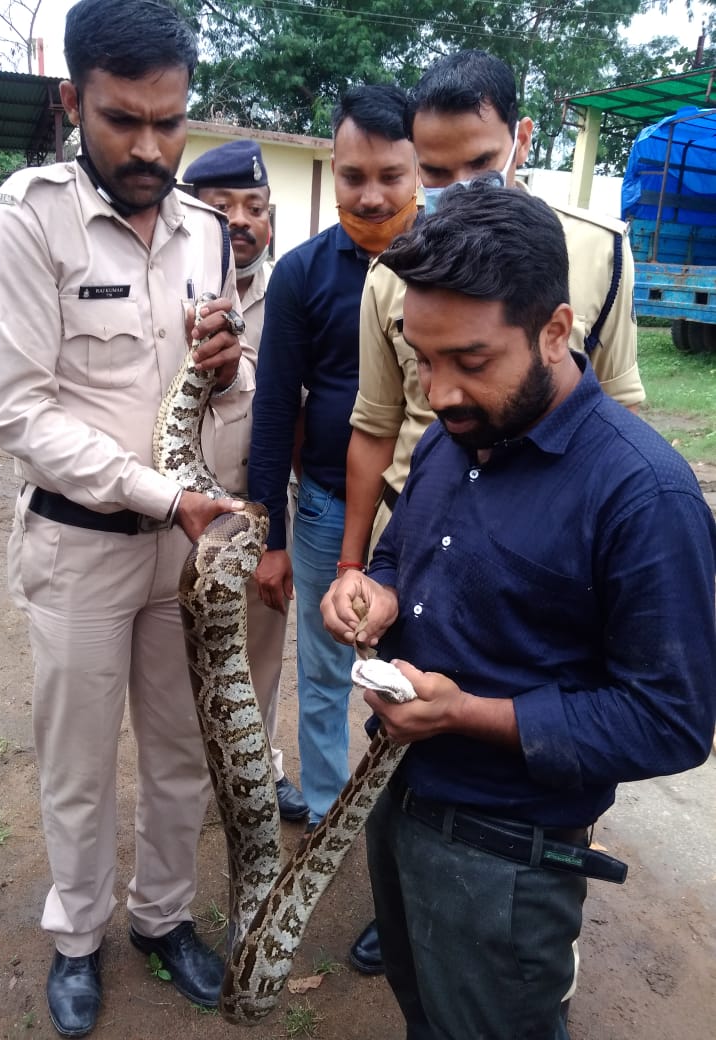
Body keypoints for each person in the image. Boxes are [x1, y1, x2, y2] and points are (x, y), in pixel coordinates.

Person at [321, 179, 716, 1040]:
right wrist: (377, 586)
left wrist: (466, 714)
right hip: (395, 801)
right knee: (427, 1014)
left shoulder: (643, 495)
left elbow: (673, 721)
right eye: (424, 360)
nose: (442, 391)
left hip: (507, 859)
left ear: (555, 330)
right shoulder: (453, 437)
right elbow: (405, 552)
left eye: (470, 361)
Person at [0, 1, 254, 1034]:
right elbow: (15, 409)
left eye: (169, 121)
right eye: (122, 118)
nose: (148, 146)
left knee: (181, 748)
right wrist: (156, 493)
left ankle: (164, 919)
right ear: (71, 100)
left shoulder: (206, 232)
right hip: (79, 545)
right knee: (79, 759)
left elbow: (220, 388)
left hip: (181, 549)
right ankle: (78, 935)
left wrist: (229, 370)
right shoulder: (21, 220)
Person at [340, 49, 647, 973]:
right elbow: (379, 424)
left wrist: (605, 509)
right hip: (427, 540)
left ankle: (523, 914)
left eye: (475, 166)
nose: (452, 191)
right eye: (431, 174)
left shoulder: (599, 253)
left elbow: (660, 715)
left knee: (507, 927)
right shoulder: (405, 293)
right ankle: (423, 908)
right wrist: (368, 574)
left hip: (546, 556)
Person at [248, 86, 418, 838]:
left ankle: (412, 826)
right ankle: (324, 811)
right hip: (323, 506)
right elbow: (274, 406)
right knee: (323, 670)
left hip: (429, 508)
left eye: (391, 175)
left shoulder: (455, 261)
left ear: (419, 171)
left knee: (419, 671)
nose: (372, 195)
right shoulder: (303, 275)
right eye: (353, 176)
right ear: (333, 169)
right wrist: (273, 540)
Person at [182, 138, 307, 822]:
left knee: (260, 659)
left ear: (271, 222)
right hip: (176, 509)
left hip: (259, 507)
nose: (240, 219)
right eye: (221, 206)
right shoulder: (165, 287)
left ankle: (262, 768)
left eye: (254, 207)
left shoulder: (292, 290)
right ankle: (196, 786)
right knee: (181, 661)